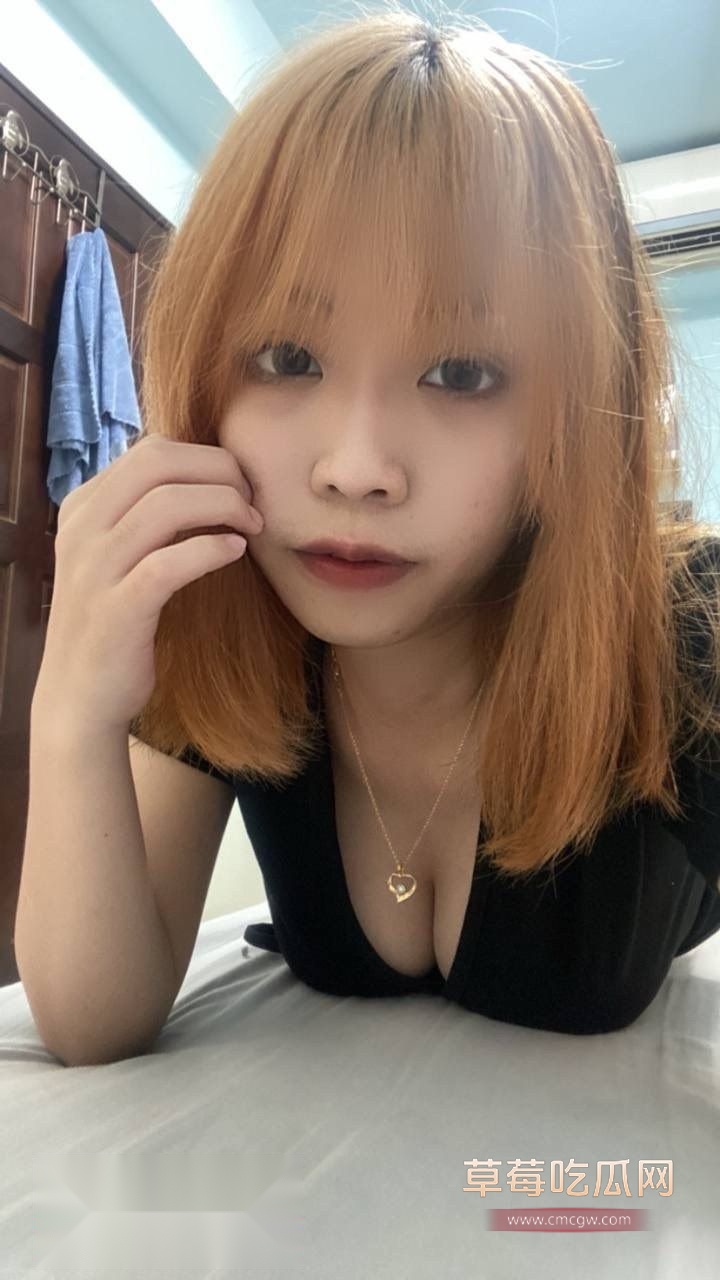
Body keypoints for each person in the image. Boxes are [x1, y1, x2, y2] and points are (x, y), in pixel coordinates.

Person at [18, 8, 720, 1063]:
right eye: (288, 358)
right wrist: (72, 705)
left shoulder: (686, 627)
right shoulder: (224, 602)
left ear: (573, 416)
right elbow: (91, 1021)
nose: (355, 468)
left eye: (463, 373)